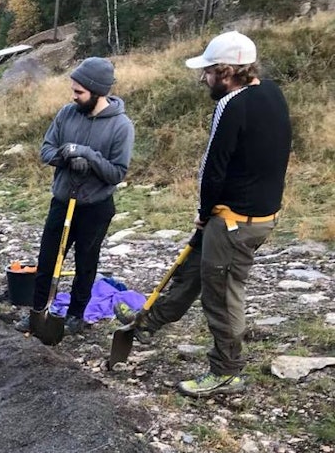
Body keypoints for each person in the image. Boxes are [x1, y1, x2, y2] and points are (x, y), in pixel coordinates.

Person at [115, 31, 291, 398]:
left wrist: (203, 212)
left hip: (235, 221)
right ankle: (146, 323)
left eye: (208, 72)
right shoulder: (272, 92)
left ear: (227, 72)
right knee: (192, 270)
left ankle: (226, 371)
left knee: (221, 296)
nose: (203, 79)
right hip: (254, 213)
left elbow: (213, 167)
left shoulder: (231, 104)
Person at [15, 57, 135, 336]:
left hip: (95, 207)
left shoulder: (121, 126)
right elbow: (46, 151)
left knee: (85, 264)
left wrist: (88, 156)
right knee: (47, 261)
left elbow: (117, 173)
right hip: (62, 201)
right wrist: (67, 157)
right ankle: (38, 312)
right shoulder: (67, 114)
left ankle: (75, 316)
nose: (74, 96)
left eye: (79, 92)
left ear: (97, 91)